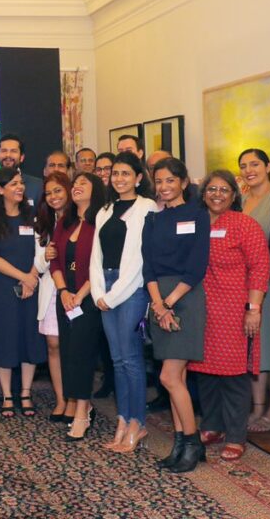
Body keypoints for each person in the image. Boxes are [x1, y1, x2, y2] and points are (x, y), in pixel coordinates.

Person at [189, 170, 269, 461]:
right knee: (204, 371)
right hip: (200, 310)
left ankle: (236, 435)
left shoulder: (245, 225)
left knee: (234, 375)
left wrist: (254, 308)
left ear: (234, 195)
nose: (217, 194)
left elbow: (260, 267)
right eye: (211, 189)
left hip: (235, 309)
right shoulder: (195, 224)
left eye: (224, 189)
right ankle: (212, 426)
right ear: (203, 193)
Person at [143, 157, 210, 473]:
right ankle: (181, 442)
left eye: (171, 180)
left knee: (169, 377)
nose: (164, 186)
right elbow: (149, 267)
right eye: (159, 181)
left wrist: (169, 302)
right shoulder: (152, 220)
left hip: (185, 297)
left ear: (184, 183)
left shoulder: (198, 215)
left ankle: (193, 443)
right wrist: (158, 304)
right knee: (176, 378)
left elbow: (197, 266)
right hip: (159, 301)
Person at [90, 152, 156, 452]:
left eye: (126, 173)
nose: (119, 178)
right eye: (115, 173)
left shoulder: (147, 207)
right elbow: (96, 256)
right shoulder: (105, 209)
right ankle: (122, 418)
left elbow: (140, 260)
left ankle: (137, 424)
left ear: (138, 178)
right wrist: (98, 293)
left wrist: (113, 295)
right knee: (116, 361)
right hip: (105, 286)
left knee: (131, 359)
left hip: (132, 289)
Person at [0, 167, 45, 417]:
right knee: (5, 340)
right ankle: (7, 395)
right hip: (2, 290)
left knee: (29, 339)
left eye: (21, 183)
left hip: (31, 287)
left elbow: (42, 251)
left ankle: (26, 393)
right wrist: (24, 277)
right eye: (13, 184)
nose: (19, 187)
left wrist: (32, 277)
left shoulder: (33, 218)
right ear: (0, 189)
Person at [50, 172, 105, 441]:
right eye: (75, 184)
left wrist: (80, 295)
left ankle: (82, 411)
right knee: (69, 354)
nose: (77, 187)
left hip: (88, 300)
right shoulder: (65, 222)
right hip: (66, 299)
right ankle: (84, 404)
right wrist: (62, 291)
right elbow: (55, 261)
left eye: (84, 183)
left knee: (82, 355)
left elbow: (99, 266)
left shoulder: (101, 222)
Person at [239, 148, 270, 433]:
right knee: (253, 347)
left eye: (254, 164)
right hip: (243, 284)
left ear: (268, 166)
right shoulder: (241, 199)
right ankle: (256, 409)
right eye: (243, 165)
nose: (248, 170)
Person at [34, 172, 72, 423]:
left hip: (74, 290)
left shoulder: (79, 219)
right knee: (53, 344)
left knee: (73, 347)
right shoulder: (43, 222)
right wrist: (45, 256)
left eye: (58, 190)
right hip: (49, 290)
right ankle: (60, 399)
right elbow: (36, 263)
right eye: (49, 193)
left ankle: (76, 399)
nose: (54, 197)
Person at [0, 133, 43, 205]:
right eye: (4, 151)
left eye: (13, 151)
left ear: (22, 157)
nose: (8, 155)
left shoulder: (37, 186)